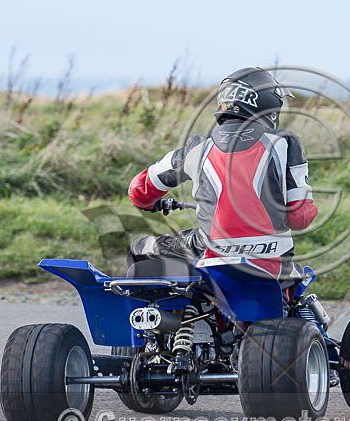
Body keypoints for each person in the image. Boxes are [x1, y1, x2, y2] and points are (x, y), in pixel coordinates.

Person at [127, 67, 317, 281]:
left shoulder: (196, 149)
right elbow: (300, 218)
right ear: (265, 104)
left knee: (140, 249)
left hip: (213, 254)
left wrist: (148, 203)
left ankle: (171, 311)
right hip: (275, 262)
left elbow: (138, 190)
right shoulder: (286, 143)